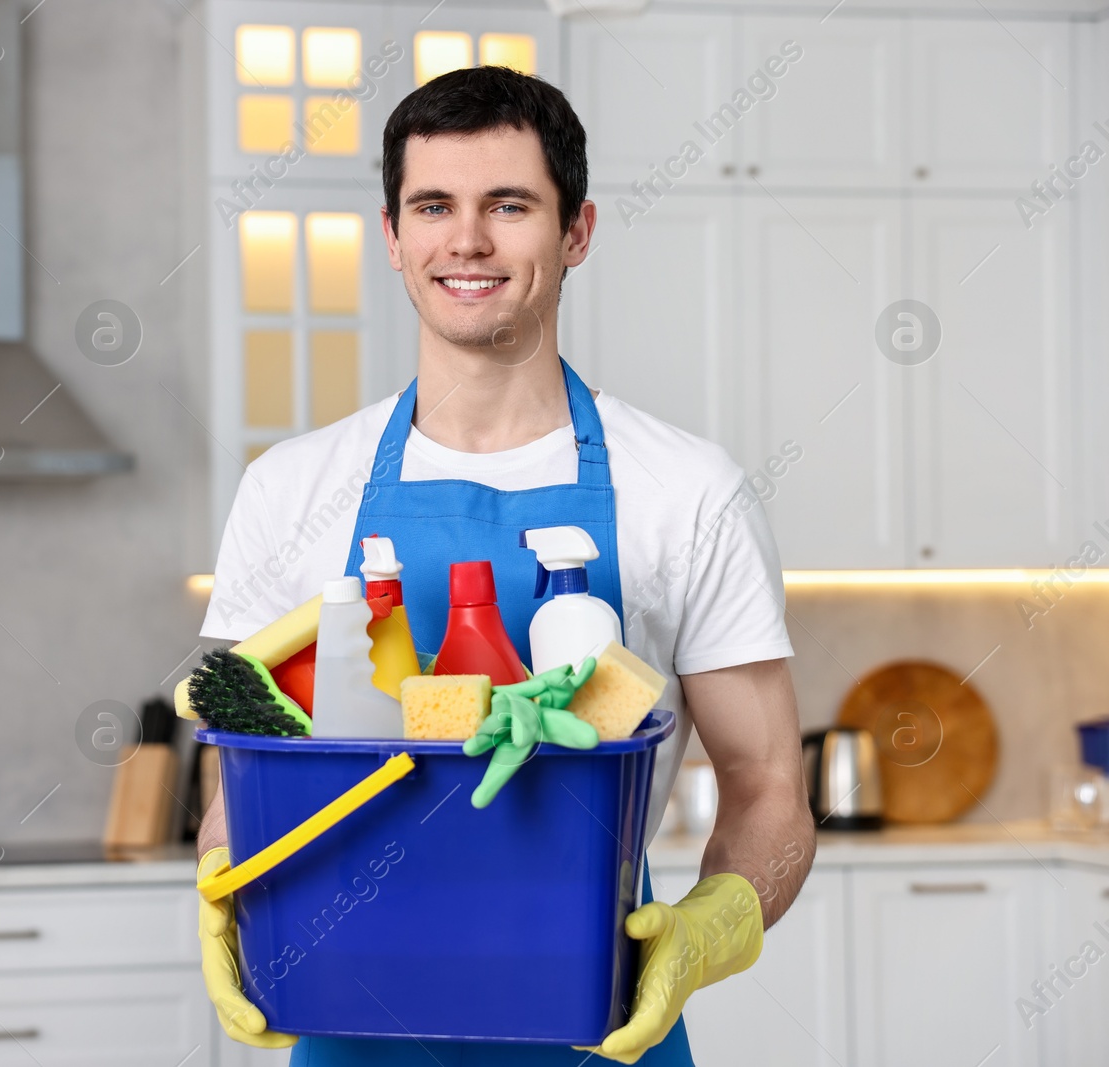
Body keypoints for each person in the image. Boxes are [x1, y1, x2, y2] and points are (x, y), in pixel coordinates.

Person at [194, 65, 814, 1066]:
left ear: (576, 231)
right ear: (392, 235)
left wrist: (711, 927)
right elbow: (245, 763)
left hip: (598, 1027)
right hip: (351, 1019)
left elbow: (767, 785)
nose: (467, 240)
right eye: (432, 205)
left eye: (509, 204)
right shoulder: (292, 486)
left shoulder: (688, 488)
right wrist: (223, 883)